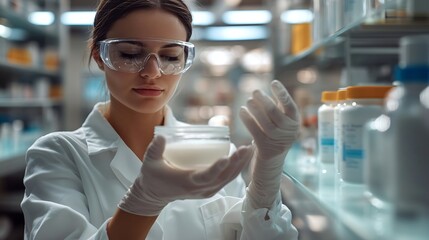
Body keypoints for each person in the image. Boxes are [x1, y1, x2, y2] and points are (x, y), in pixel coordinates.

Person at [21, 0, 301, 239]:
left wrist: (266, 178)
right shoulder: (58, 154)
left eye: (170, 56)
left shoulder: (217, 153)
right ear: (99, 56)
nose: (152, 72)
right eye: (130, 54)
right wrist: (143, 203)